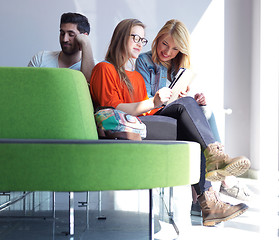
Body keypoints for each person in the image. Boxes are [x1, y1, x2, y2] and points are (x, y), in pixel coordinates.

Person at [90, 18, 250, 226]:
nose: (139, 43)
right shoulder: (104, 68)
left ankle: (211, 199)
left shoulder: (135, 78)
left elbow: (150, 111)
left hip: (144, 122)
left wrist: (172, 100)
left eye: (142, 39)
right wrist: (154, 102)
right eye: (134, 37)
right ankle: (212, 187)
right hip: (127, 128)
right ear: (121, 38)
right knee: (191, 119)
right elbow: (111, 109)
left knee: (192, 113)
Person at [135, 20, 253, 216]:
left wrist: (188, 99)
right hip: (152, 114)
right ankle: (220, 171)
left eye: (174, 48)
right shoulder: (144, 61)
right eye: (164, 44)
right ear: (157, 40)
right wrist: (175, 100)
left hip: (170, 114)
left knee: (202, 111)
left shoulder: (177, 66)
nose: (168, 51)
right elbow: (146, 98)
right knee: (195, 115)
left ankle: (205, 204)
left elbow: (175, 98)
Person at [28, 12, 95, 83]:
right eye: (62, 33)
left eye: (71, 34)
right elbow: (24, 86)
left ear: (84, 36)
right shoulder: (41, 59)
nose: (64, 39)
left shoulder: (96, 66)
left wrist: (86, 43)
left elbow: (88, 85)